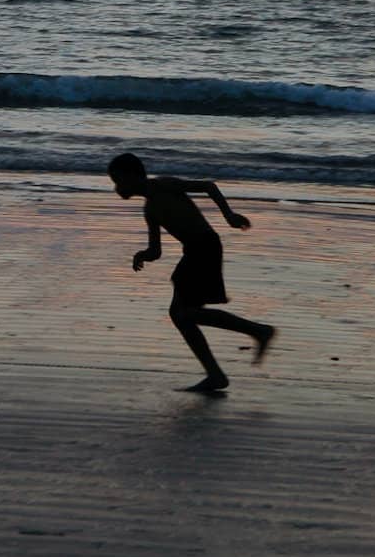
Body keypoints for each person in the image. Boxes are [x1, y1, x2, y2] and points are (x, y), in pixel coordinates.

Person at [108, 151, 276, 394]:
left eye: (117, 180)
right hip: (194, 252)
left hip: (205, 247)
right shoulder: (150, 210)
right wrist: (142, 255)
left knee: (184, 313)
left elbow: (208, 186)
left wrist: (228, 215)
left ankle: (257, 332)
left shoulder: (164, 184)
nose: (116, 187)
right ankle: (217, 372)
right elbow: (156, 250)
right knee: (181, 315)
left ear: (132, 176)